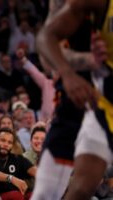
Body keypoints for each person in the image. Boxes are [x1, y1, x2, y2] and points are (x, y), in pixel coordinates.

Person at [35, 0, 113, 199]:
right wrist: (83, 63)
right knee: (54, 192)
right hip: (80, 100)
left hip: (99, 95)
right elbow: (45, 55)